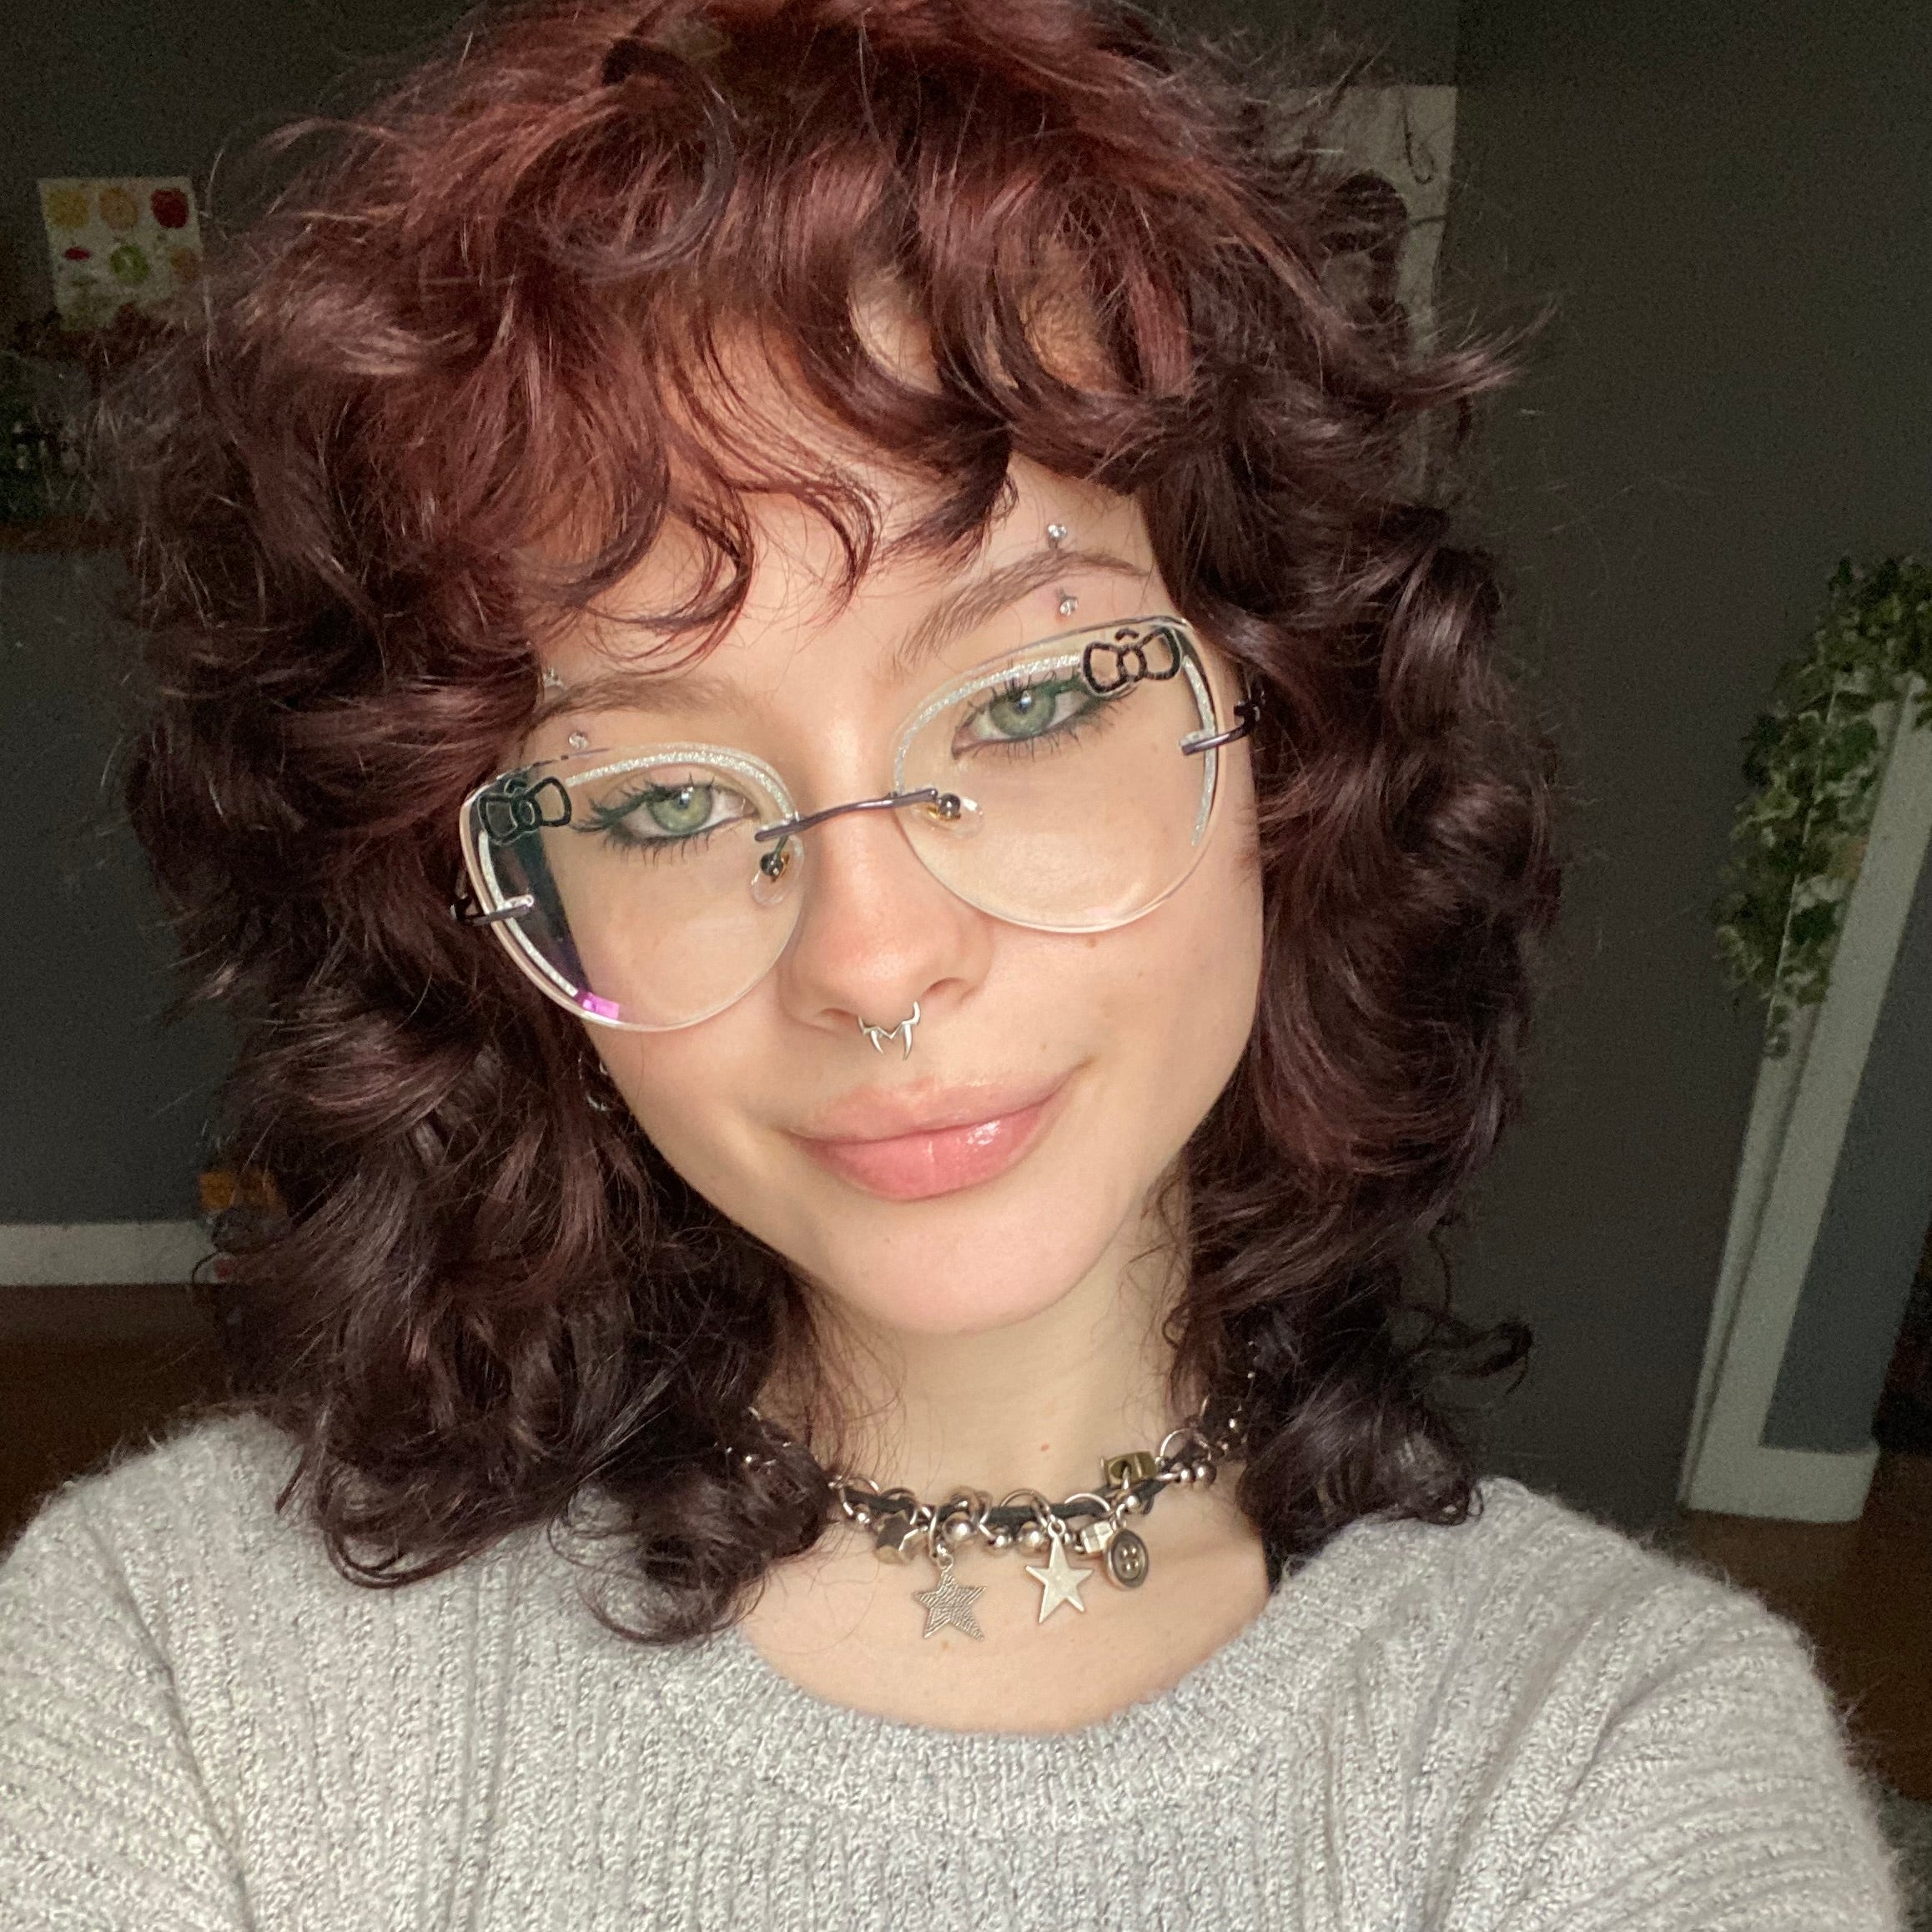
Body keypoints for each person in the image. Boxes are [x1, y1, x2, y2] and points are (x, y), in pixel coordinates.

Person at [0, 1, 1907, 1925]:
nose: (875, 955)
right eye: (660, 800)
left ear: (1289, 747)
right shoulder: (172, 1665)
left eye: (1039, 698)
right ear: (510, 919)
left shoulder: (1621, 1755)